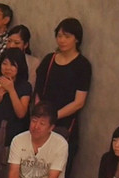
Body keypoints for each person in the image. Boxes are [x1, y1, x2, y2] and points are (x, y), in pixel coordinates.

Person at [35, 18, 91, 157]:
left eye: (67, 36)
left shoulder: (82, 65)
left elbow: (79, 102)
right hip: (41, 120)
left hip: (64, 124)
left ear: (77, 39)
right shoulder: (49, 59)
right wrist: (40, 116)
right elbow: (38, 91)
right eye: (59, 36)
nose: (62, 40)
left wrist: (53, 117)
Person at [6, 25, 39, 89]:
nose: (11, 46)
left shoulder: (33, 62)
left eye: (17, 43)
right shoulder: (0, 59)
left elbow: (31, 87)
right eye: (9, 41)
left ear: (25, 45)